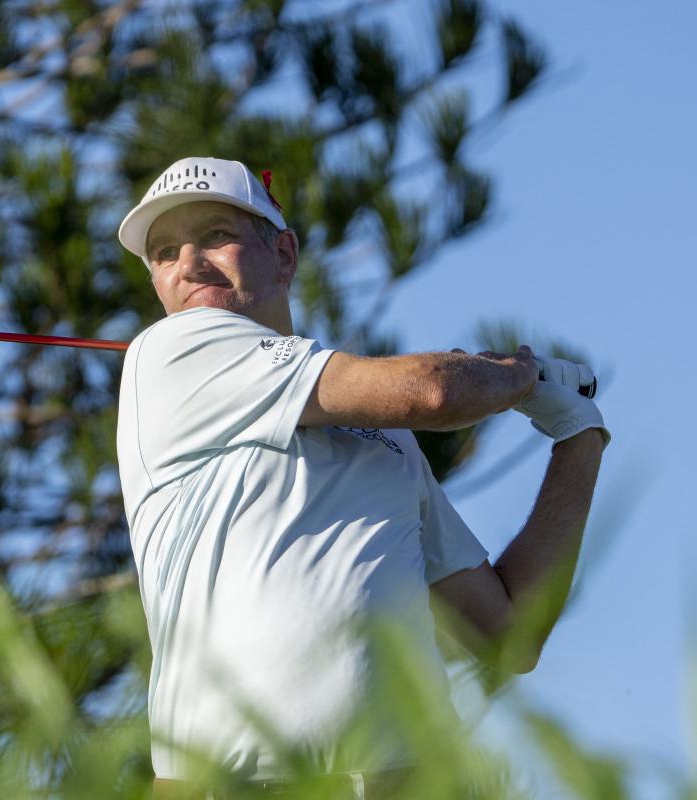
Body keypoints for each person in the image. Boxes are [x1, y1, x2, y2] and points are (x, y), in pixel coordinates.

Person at [114, 157, 610, 793]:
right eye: (163, 252)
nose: (189, 265)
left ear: (284, 255)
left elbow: (509, 633)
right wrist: (518, 375)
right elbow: (431, 392)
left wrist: (579, 438)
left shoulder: (385, 443)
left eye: (215, 235)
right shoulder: (169, 353)